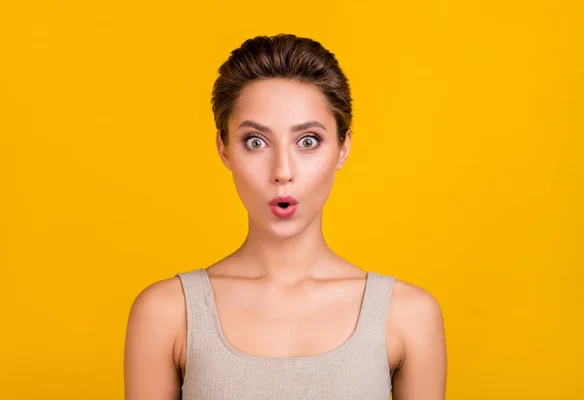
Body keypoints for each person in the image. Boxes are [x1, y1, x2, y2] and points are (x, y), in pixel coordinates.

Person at [124, 33, 447, 399]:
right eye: (256, 142)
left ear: (343, 148)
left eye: (307, 141)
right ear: (224, 148)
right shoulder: (166, 314)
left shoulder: (408, 317)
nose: (282, 171)